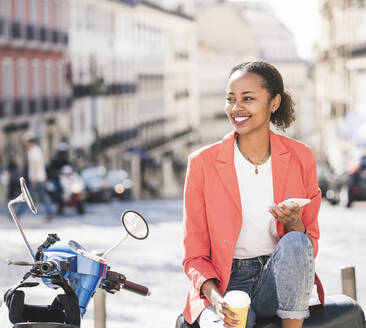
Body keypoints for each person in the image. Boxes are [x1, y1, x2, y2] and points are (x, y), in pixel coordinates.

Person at [182, 61, 323, 328]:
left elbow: (309, 246)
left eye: (248, 98)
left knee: (296, 243)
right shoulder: (202, 163)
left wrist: (294, 224)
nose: (237, 108)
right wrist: (216, 300)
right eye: (231, 99)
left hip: (277, 280)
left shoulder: (301, 157)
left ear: (274, 102)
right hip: (225, 285)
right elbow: (194, 256)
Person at [24, 132, 55, 221]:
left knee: (28, 197)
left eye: (26, 142)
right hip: (37, 178)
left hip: (36, 179)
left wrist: (34, 179)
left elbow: (36, 165)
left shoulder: (34, 151)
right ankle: (50, 214)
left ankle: (16, 215)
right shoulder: (34, 150)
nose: (25, 144)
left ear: (30, 142)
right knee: (39, 196)